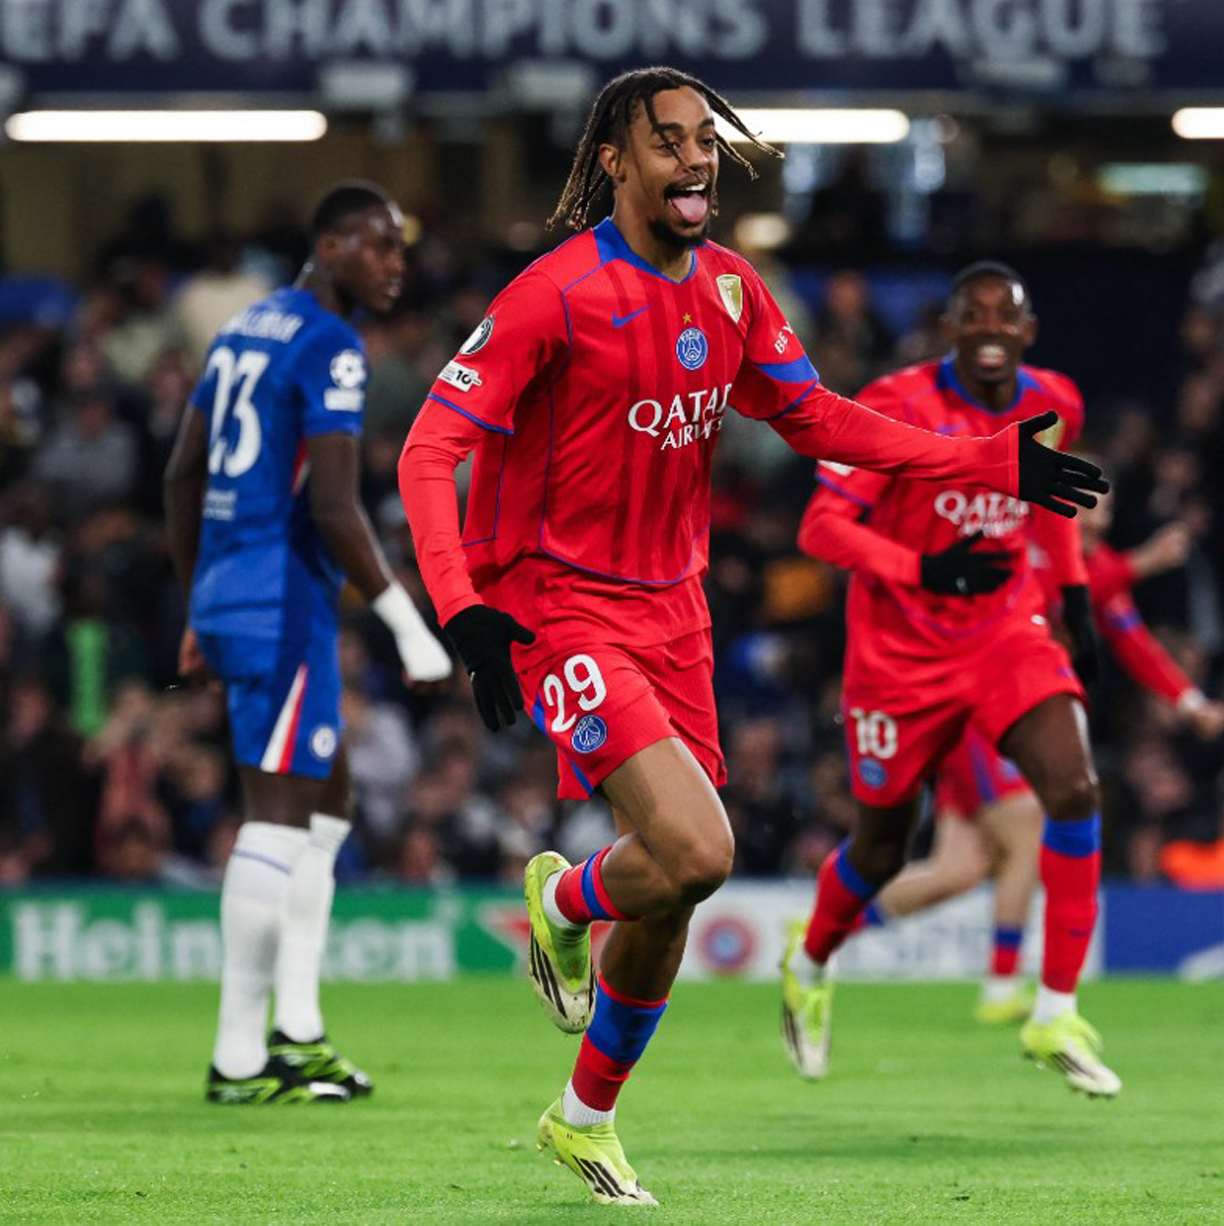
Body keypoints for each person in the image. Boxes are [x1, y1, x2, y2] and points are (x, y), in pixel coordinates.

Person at [396, 68, 1105, 1205]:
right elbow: (428, 451)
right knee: (702, 850)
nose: (694, 161)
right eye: (666, 142)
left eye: (704, 143)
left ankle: (582, 1112)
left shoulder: (731, 291)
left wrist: (991, 459)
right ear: (615, 165)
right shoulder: (554, 294)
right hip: (557, 602)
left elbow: (819, 417)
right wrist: (463, 607)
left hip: (675, 612)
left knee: (672, 886)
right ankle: (568, 902)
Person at [783, 262, 1121, 1097]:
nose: (990, 329)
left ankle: (1054, 1009)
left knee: (1074, 789)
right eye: (973, 316)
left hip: (1005, 630)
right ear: (950, 330)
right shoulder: (894, 404)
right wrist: (923, 566)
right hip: (898, 656)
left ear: (1029, 330)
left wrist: (1072, 592)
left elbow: (1049, 498)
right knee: (882, 845)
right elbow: (820, 527)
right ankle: (811, 958)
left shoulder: (1057, 402)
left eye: (1006, 316)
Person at [165, 181, 454, 1105]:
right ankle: (239, 1059)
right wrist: (411, 626)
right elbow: (334, 509)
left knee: (322, 809)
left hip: (232, 589)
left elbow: (182, 473)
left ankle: (297, 1030)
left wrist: (197, 601)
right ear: (328, 247)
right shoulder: (332, 345)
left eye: (400, 249)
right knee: (279, 816)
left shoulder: (247, 327)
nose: (394, 264)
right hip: (283, 601)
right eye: (376, 245)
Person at [838, 500, 1224, 1025]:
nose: (1093, 529)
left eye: (1103, 521)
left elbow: (1130, 638)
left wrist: (1189, 701)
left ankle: (831, 924)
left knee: (958, 872)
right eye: (1084, 518)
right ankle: (1001, 987)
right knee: (1030, 830)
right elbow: (1053, 591)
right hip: (978, 715)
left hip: (1010, 723)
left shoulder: (1097, 564)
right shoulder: (1024, 546)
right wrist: (1143, 563)